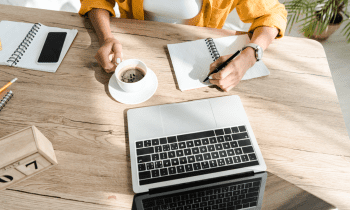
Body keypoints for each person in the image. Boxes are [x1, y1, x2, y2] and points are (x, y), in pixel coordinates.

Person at [79, 0, 287, 91]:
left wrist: (250, 54)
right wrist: (106, 37)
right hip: (133, 50)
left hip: (197, 62)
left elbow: (272, 14)